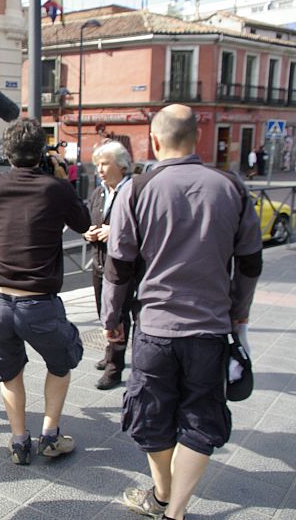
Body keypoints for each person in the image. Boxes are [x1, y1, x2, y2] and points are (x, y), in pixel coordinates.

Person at [102, 104, 262, 520]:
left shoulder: (136, 190)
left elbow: (118, 266)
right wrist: (238, 313)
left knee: (151, 417)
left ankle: (161, 495)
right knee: (200, 418)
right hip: (210, 331)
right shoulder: (232, 187)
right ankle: (176, 511)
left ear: (154, 141)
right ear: (199, 139)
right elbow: (249, 262)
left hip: (154, 329)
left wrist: (112, 321)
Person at [0, 118, 91, 465]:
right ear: (42, 152)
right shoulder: (54, 188)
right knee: (60, 364)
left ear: (6, 152)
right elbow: (85, 223)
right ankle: (50, 435)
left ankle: (18, 441)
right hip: (38, 303)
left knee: (9, 372)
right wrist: (60, 176)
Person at [84, 140, 135, 390]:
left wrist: (113, 232)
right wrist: (89, 233)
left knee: (119, 315)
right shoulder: (99, 192)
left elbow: (141, 228)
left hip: (123, 267)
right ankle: (109, 353)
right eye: (97, 165)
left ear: (122, 165)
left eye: (105, 164)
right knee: (104, 313)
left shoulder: (134, 191)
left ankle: (115, 368)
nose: (100, 170)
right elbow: (87, 220)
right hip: (99, 262)